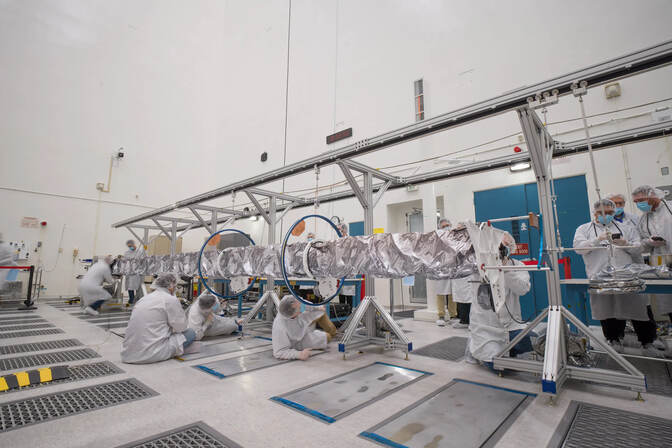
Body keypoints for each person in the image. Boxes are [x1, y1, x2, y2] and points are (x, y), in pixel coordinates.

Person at [574, 198, 659, 356]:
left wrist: (624, 243)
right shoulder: (584, 229)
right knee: (607, 309)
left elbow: (638, 248)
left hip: (626, 275)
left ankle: (647, 342)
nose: (605, 215)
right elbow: (579, 248)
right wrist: (597, 240)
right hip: (599, 275)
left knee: (637, 307)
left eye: (609, 212)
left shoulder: (625, 228)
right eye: (601, 213)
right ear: (595, 213)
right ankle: (613, 339)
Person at [466, 233, 533, 367]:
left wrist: (504, 270)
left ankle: (509, 351)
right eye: (499, 245)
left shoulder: (518, 265)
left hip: (512, 325)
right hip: (486, 327)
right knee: (500, 367)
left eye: (506, 246)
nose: (502, 249)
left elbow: (523, 289)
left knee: (529, 342)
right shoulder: (480, 266)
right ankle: (474, 349)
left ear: (512, 248)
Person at [121, 273, 197, 363]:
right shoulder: (170, 299)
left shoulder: (144, 299)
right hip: (152, 353)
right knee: (191, 332)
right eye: (176, 286)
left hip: (128, 353)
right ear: (171, 286)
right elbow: (182, 327)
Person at [632, 185, 672, 326]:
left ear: (653, 196)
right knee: (669, 303)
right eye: (636, 202)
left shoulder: (670, 208)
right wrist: (649, 242)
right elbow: (639, 245)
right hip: (661, 262)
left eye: (641, 200)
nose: (639, 204)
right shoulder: (644, 219)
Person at [272, 295, 337, 360]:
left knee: (320, 311)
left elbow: (303, 304)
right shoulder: (279, 326)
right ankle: (320, 335)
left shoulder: (289, 300)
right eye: (300, 308)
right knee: (327, 337)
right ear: (293, 314)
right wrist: (299, 354)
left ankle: (334, 333)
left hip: (300, 322)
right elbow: (279, 352)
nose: (302, 309)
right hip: (299, 340)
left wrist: (317, 307)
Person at [450, 223, 477, 329]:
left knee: (469, 298)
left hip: (468, 274)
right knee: (460, 298)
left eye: (460, 229)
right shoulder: (455, 242)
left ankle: (469, 321)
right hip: (458, 274)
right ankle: (463, 320)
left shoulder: (470, 241)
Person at [434, 218, 457, 326]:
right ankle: (441, 315)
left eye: (447, 225)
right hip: (441, 268)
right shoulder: (436, 238)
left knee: (453, 292)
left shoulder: (454, 237)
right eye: (443, 226)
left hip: (452, 267)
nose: (446, 228)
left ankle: (453, 315)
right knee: (440, 292)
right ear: (439, 228)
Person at [124, 239, 145, 307]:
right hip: (129, 272)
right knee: (130, 286)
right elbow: (125, 260)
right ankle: (131, 299)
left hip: (138, 272)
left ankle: (138, 299)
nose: (130, 247)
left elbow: (143, 260)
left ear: (134, 244)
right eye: (129, 246)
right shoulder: (127, 252)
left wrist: (139, 259)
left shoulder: (140, 251)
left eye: (131, 245)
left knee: (138, 287)